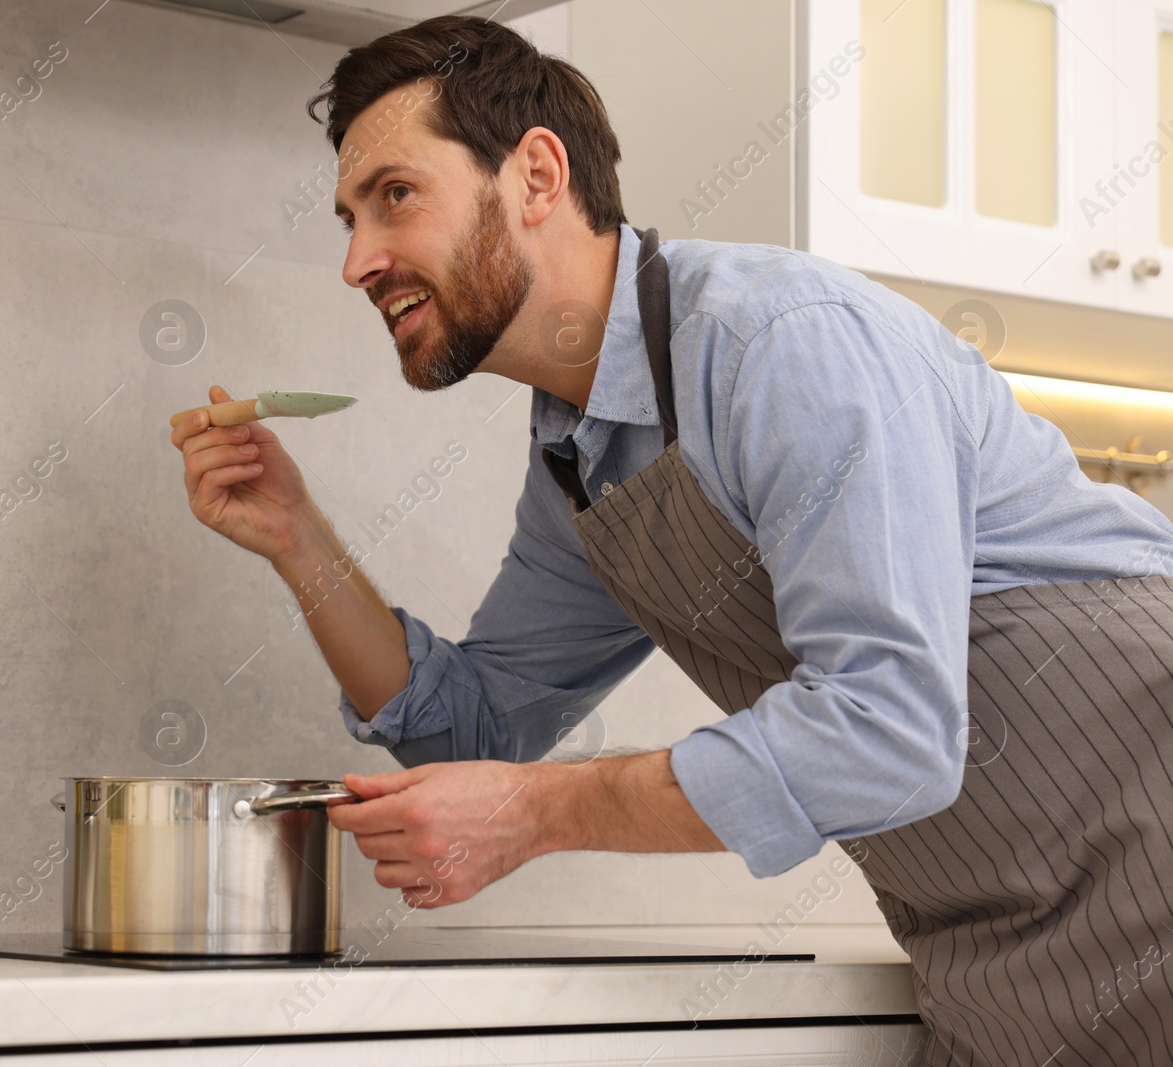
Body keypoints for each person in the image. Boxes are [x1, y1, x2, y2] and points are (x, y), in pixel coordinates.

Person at [168, 15, 1173, 1065]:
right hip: (995, 950)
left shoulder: (781, 344)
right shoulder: (581, 461)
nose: (357, 261)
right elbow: (470, 740)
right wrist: (296, 537)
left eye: (394, 196)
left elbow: (889, 729)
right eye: (347, 219)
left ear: (536, 175)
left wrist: (533, 812)